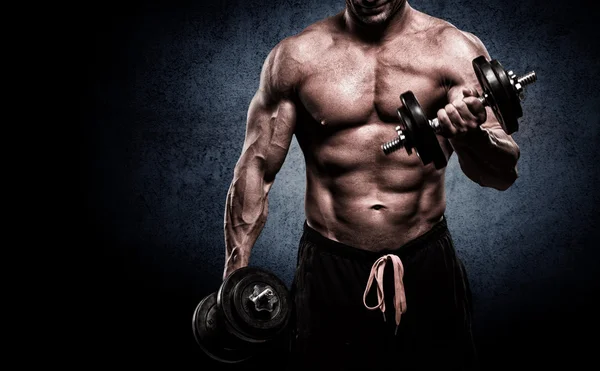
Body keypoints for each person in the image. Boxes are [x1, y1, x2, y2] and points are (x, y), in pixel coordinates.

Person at [222, 1, 520, 369]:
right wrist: (234, 277)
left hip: (426, 262)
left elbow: (501, 175)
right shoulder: (298, 57)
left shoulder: (452, 48)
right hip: (329, 268)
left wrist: (470, 135)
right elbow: (257, 167)